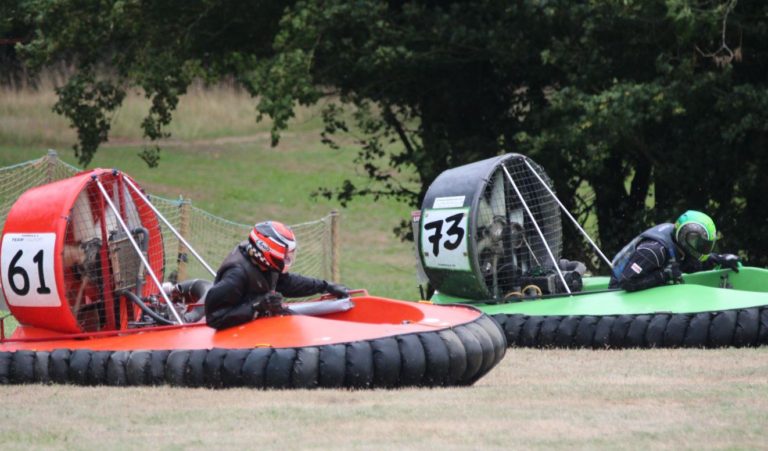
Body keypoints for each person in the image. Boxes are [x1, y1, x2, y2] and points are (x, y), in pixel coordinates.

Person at [204, 220, 349, 329]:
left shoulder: (266, 266)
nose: (288, 259)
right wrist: (257, 306)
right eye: (285, 255)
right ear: (269, 252)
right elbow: (214, 319)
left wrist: (324, 286)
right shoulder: (236, 275)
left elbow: (287, 283)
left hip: (259, 322)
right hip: (239, 334)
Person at [609, 210, 741, 292]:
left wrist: (718, 259)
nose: (701, 247)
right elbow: (627, 283)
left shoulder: (679, 245)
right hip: (618, 296)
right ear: (684, 235)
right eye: (697, 242)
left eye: (704, 245)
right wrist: (664, 275)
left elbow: (691, 264)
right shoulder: (654, 250)